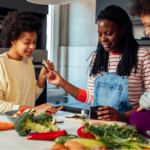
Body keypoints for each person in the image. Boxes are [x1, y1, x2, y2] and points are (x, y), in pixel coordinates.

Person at [46, 5, 150, 123]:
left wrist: (123, 117)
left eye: (108, 33)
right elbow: (91, 97)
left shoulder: (142, 55)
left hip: (128, 127)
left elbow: (148, 103)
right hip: (99, 126)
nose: (103, 39)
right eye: (100, 34)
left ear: (122, 30)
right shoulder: (96, 58)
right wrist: (61, 82)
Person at [0, 10, 57, 114]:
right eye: (27, 42)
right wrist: (34, 109)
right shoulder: (1, 64)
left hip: (26, 122)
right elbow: (0, 105)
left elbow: (32, 96)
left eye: (34, 42)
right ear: (12, 40)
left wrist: (41, 77)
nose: (32, 47)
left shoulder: (27, 61)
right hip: (7, 125)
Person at [127, 0, 150, 138]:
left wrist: (143, 102)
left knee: (136, 118)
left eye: (148, 25)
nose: (147, 32)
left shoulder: (143, 54)